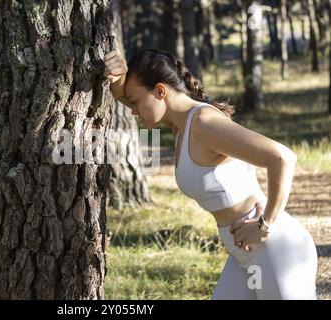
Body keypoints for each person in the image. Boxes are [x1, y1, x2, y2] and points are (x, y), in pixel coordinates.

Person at [102, 48, 318, 300]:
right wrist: (117, 81)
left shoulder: (204, 123)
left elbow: (281, 157)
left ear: (160, 91)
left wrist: (265, 225)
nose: (133, 111)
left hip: (274, 248)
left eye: (135, 102)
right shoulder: (180, 125)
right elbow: (132, 98)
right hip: (243, 253)